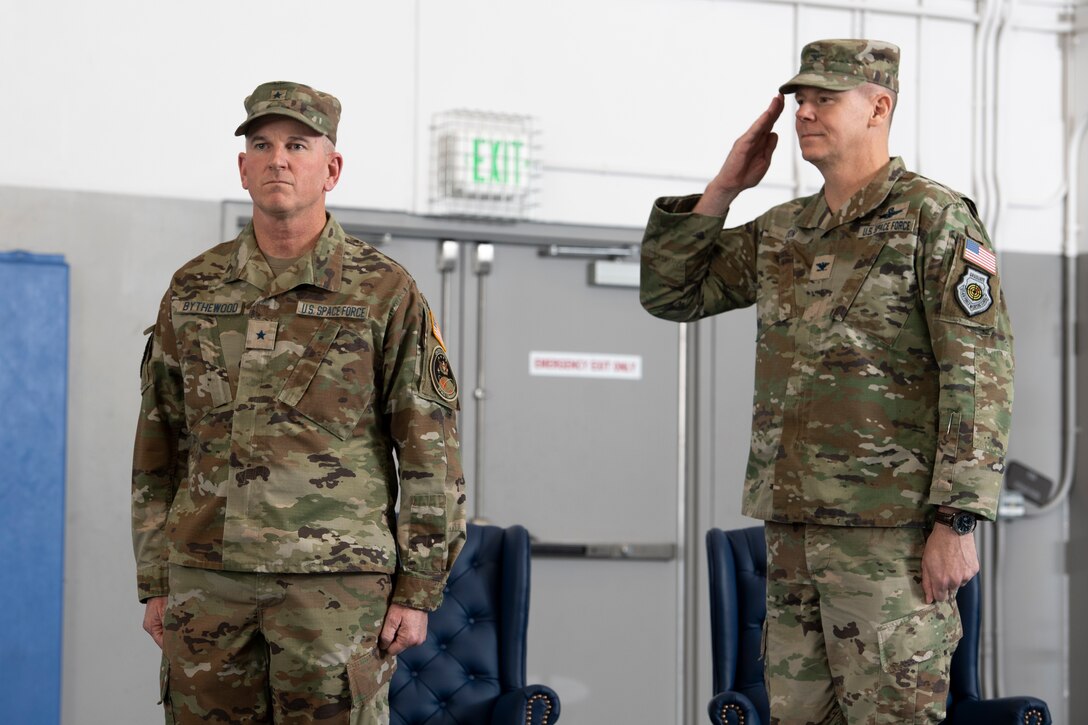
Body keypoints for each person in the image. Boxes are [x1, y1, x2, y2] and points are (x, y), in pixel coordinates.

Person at [640, 40, 1013, 724]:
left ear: (879, 105)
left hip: (889, 533)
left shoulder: (933, 219)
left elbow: (979, 373)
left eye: (823, 99)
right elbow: (672, 293)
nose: (805, 113)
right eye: (799, 99)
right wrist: (723, 189)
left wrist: (956, 519)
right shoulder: (786, 229)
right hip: (793, 529)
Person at [132, 81, 467, 724]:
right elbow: (158, 441)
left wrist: (419, 590)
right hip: (208, 581)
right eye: (261, 145)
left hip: (333, 589)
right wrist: (155, 580)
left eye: (296, 144)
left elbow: (429, 449)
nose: (277, 159)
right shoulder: (194, 286)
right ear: (243, 167)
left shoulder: (383, 290)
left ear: (331, 168)